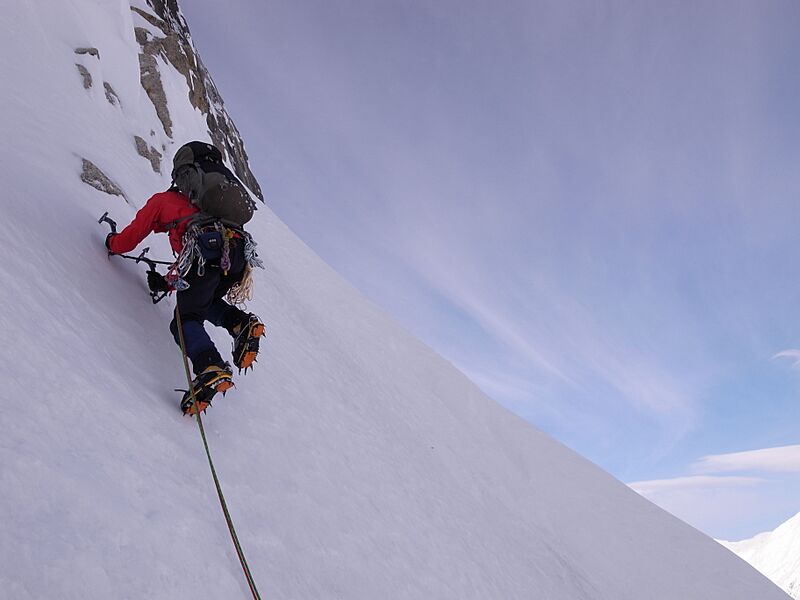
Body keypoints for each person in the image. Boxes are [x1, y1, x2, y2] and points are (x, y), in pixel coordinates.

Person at [105, 184, 265, 415]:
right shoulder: (207, 210)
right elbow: (194, 281)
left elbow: (129, 239)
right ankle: (240, 323)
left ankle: (209, 365)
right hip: (237, 254)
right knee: (203, 301)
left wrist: (112, 243)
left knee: (184, 319)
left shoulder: (163, 201)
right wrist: (166, 283)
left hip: (210, 251)